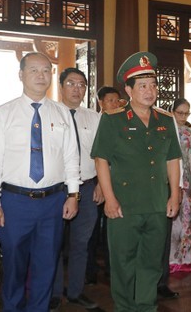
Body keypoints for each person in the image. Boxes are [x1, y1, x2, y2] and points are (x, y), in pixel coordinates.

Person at [0, 52, 80, 311]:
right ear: (21, 75)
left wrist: (73, 195)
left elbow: (71, 157)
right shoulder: (3, 114)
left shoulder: (62, 113)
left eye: (46, 70)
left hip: (53, 202)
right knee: (15, 266)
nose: (41, 76)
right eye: (34, 70)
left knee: (47, 265)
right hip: (14, 202)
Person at [91, 51, 182, 311]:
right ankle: (125, 308)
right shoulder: (113, 119)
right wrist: (109, 199)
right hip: (124, 205)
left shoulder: (165, 120)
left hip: (156, 204)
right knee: (122, 262)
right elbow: (101, 161)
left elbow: (173, 160)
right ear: (128, 90)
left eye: (153, 85)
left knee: (151, 263)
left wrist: (174, 195)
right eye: (142, 85)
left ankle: (145, 306)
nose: (149, 90)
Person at [50, 68, 102, 311]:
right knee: (55, 243)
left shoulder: (95, 117)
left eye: (82, 84)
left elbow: (104, 155)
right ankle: (54, 292)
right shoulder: (50, 114)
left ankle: (76, 292)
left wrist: (101, 184)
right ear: (61, 86)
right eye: (71, 83)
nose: (77, 89)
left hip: (88, 188)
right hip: (57, 190)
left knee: (82, 243)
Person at [86, 86, 122, 285]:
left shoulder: (122, 122)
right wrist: (99, 182)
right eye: (110, 100)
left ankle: (111, 268)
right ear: (100, 102)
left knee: (112, 229)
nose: (115, 104)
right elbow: (96, 155)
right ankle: (90, 270)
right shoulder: (94, 121)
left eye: (117, 101)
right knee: (91, 230)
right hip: (94, 182)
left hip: (117, 183)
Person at [169, 98, 191, 272]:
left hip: (188, 180)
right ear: (172, 111)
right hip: (171, 180)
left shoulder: (190, 132)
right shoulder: (166, 130)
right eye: (180, 112)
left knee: (186, 219)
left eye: (187, 113)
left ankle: (184, 258)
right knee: (172, 221)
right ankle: (170, 259)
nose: (183, 116)